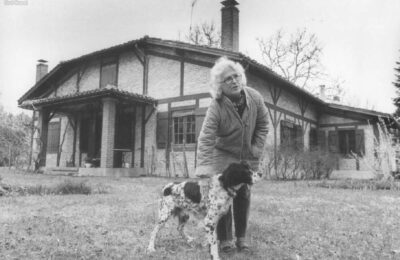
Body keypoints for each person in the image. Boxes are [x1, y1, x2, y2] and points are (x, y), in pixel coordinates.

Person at [195, 56, 269, 252]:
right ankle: (225, 240)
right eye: (228, 79)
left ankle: (242, 238)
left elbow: (263, 125)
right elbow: (206, 138)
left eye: (236, 76)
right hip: (223, 153)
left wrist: (256, 148)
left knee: (243, 192)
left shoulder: (255, 97)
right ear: (220, 85)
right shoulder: (216, 106)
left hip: (248, 153)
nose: (234, 81)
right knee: (223, 193)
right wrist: (203, 174)